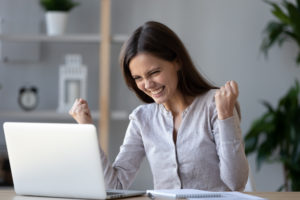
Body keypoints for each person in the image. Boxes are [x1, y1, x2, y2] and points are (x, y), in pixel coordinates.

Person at [69, 21, 249, 191]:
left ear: (177, 62)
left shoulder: (216, 104)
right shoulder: (141, 119)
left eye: (154, 72)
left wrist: (225, 116)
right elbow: (115, 186)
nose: (147, 85)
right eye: (138, 78)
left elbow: (236, 183)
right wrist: (87, 130)